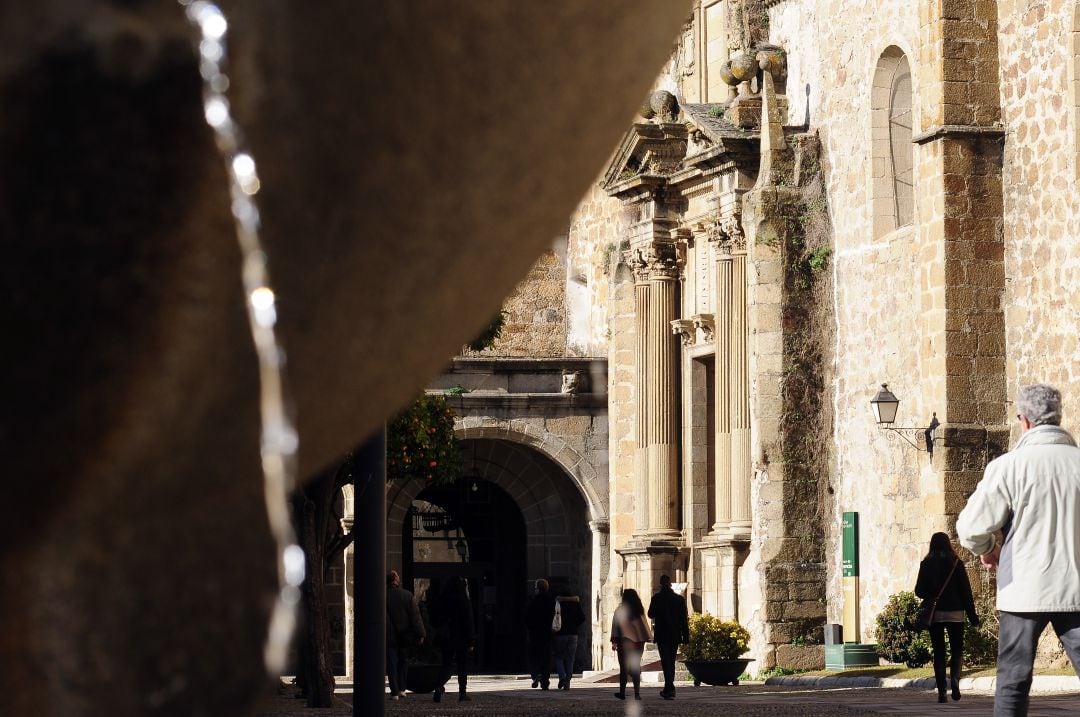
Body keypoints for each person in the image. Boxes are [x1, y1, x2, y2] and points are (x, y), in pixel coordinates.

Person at [957, 384, 1080, 717]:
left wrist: (989, 548)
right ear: (1059, 417)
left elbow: (970, 528)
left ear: (1023, 420)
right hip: (1077, 588)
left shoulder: (1007, 467)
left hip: (1022, 590)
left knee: (1012, 682)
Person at [914, 533, 979, 703]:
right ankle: (955, 681)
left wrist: (932, 594)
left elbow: (919, 591)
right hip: (956, 612)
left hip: (935, 614)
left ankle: (942, 691)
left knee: (939, 652)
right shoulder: (956, 563)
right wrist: (973, 617)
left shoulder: (926, 564)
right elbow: (966, 591)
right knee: (957, 649)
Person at [431, 576, 475, 703]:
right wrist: (471, 640)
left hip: (447, 638)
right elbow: (469, 623)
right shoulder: (464, 601)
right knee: (462, 666)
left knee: (447, 664)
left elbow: (436, 619)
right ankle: (462, 693)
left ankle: (439, 686)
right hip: (461, 638)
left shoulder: (443, 600)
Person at [648, 575, 690, 700]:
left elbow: (650, 614)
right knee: (670, 661)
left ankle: (669, 687)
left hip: (662, 634)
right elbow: (684, 619)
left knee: (665, 661)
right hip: (674, 634)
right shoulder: (679, 599)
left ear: (661, 584)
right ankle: (669, 687)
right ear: (670, 584)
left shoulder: (656, 598)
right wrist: (686, 637)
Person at [385, 570, 425, 700]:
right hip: (404, 634)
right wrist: (420, 633)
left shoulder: (383, 596)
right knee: (403, 661)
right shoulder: (407, 595)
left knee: (391, 663)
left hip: (389, 635)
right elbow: (415, 617)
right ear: (397, 581)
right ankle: (402, 688)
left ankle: (394, 691)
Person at [610, 588, 652, 701]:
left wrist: (614, 641)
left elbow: (616, 626)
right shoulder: (639, 611)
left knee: (623, 669)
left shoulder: (620, 610)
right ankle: (637, 694)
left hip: (624, 643)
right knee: (635, 667)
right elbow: (643, 628)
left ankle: (622, 693)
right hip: (638, 644)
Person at [525, 578, 557, 690]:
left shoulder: (532, 602)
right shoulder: (551, 602)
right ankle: (545, 681)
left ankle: (536, 674)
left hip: (535, 634)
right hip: (547, 634)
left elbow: (527, 619)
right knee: (546, 658)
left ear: (538, 589)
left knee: (534, 656)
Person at [553, 590, 587, 690]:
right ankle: (568, 678)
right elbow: (582, 618)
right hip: (573, 633)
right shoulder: (575, 603)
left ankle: (562, 676)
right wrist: (574, 625)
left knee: (559, 656)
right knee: (570, 657)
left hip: (560, 633)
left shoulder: (558, 603)